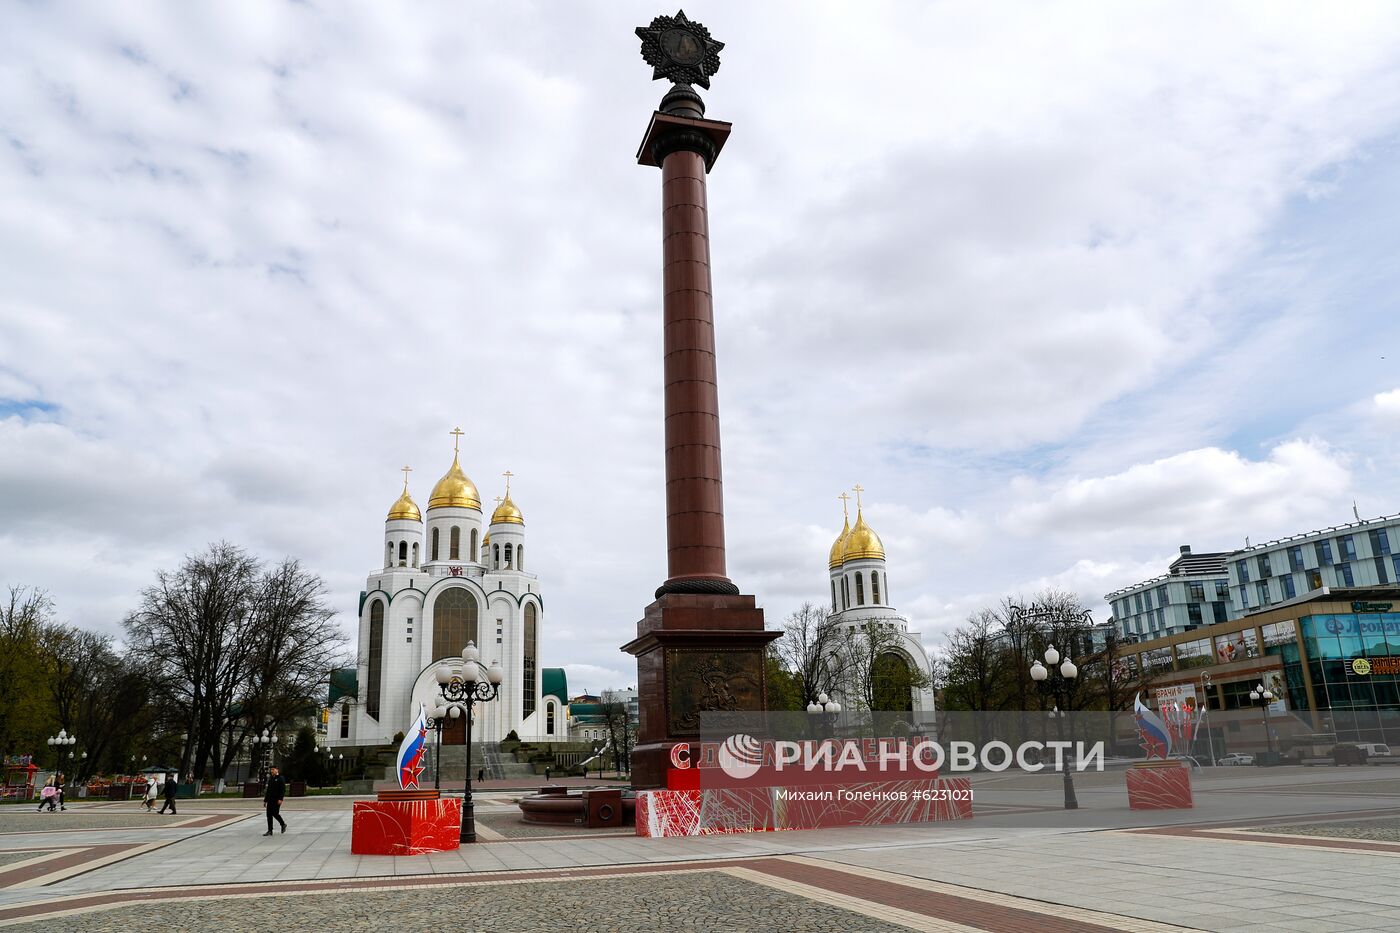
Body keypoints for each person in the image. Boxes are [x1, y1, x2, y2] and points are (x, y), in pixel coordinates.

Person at [262, 766, 287, 836]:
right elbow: (268, 791)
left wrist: (280, 799)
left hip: (276, 800)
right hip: (270, 800)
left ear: (277, 770)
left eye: (273, 769)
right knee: (269, 815)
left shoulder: (280, 778)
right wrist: (265, 800)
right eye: (271, 770)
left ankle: (283, 824)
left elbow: (282, 790)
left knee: (275, 813)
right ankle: (270, 830)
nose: (272, 771)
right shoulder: (271, 779)